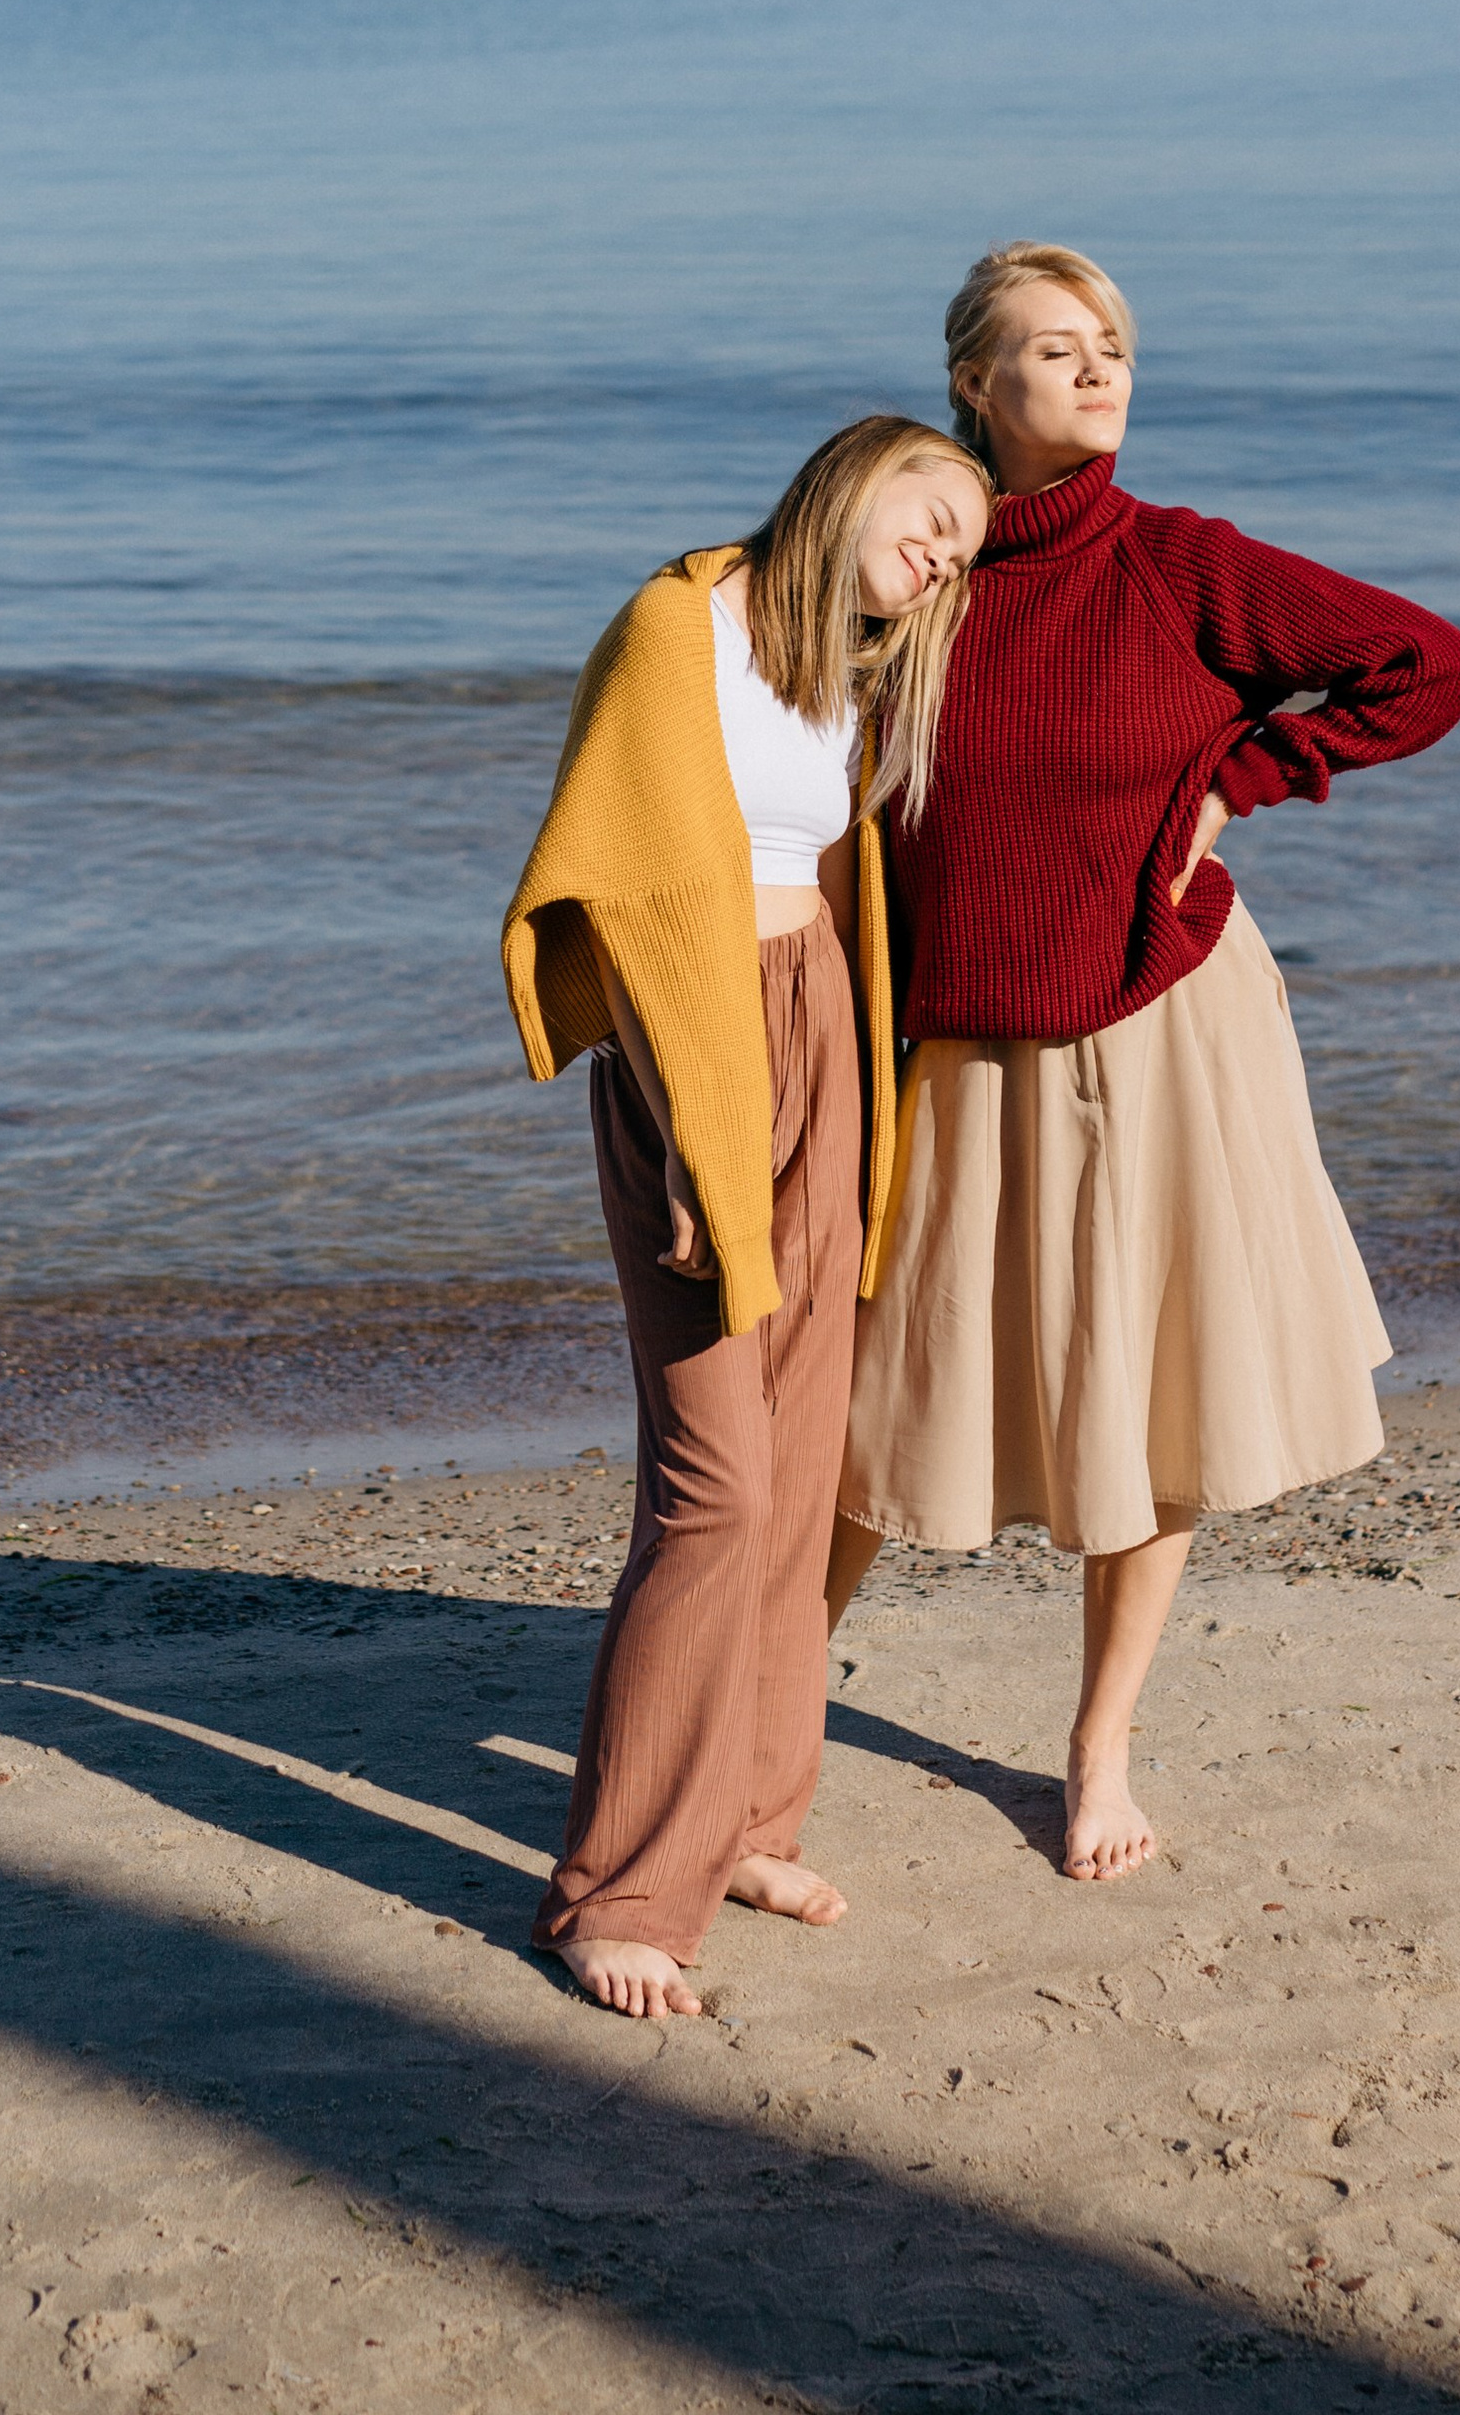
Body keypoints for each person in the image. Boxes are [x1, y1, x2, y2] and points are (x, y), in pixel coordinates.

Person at [830, 245, 1460, 1882]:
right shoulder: (911, 573)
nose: (1100, 371)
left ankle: (1097, 1748)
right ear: (975, 386)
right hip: (955, 1043)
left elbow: (1428, 666)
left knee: (1145, 1392)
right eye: (1057, 351)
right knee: (870, 1411)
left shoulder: (1187, 569)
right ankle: (767, 1714)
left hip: (1159, 1025)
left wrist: (1249, 773)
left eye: (1112, 345)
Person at [504, 414, 991, 2017]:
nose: (938, 556)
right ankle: (617, 1897)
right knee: (714, 1489)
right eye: (930, 516)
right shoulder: (676, 627)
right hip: (694, 1055)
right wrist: (698, 1141)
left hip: (822, 1040)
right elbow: (619, 901)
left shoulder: (839, 664)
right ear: (852, 480)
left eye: (963, 551)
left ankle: (748, 1825)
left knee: (797, 1479)